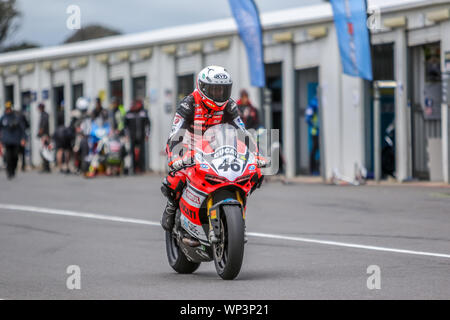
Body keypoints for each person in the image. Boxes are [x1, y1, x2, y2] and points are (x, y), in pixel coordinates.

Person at [160, 65, 267, 231]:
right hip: (190, 145)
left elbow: (242, 132)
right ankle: (172, 205)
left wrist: (256, 154)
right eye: (214, 90)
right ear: (202, 87)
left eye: (223, 90)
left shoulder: (229, 105)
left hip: (217, 146)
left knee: (256, 173)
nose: (219, 94)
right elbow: (175, 134)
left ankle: (237, 205)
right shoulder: (189, 104)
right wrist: (176, 158)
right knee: (178, 177)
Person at [0, 102, 26, 179]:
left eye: (9, 109)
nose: (8, 110)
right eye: (7, 109)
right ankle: (9, 172)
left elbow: (22, 129)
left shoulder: (16, 117)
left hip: (16, 140)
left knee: (15, 156)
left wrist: (23, 138)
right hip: (7, 141)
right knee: (8, 157)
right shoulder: (3, 118)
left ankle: (13, 169)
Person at [124, 99, 150, 174]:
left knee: (142, 152)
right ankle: (133, 168)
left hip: (141, 136)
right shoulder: (128, 114)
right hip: (132, 136)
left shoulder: (143, 113)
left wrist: (147, 134)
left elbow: (148, 124)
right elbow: (125, 126)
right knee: (131, 152)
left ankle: (142, 168)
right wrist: (126, 135)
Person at [305, 96, 320, 175]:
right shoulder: (313, 103)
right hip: (315, 132)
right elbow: (307, 118)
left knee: (317, 150)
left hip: (320, 131)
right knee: (314, 150)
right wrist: (315, 125)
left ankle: (318, 168)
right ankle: (313, 169)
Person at [37, 103, 51, 173]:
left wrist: (39, 133)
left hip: (44, 136)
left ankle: (46, 167)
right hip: (45, 135)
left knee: (44, 151)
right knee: (45, 151)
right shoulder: (45, 115)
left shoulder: (44, 115)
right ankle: (46, 167)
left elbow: (43, 126)